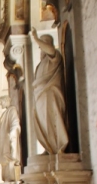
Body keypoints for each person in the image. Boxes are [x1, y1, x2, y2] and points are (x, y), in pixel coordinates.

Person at [31, 27, 69, 155]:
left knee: (52, 121)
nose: (41, 49)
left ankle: (58, 147)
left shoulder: (55, 57)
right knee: (44, 124)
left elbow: (51, 51)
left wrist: (36, 39)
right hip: (40, 98)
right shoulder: (40, 64)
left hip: (51, 96)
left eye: (43, 44)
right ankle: (49, 148)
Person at [0, 95, 21, 182]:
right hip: (5, 140)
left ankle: (11, 176)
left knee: (9, 157)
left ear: (7, 101)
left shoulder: (12, 110)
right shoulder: (5, 113)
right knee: (5, 159)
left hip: (8, 139)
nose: (0, 104)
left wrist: (12, 132)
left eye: (2, 101)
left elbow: (15, 123)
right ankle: (7, 177)